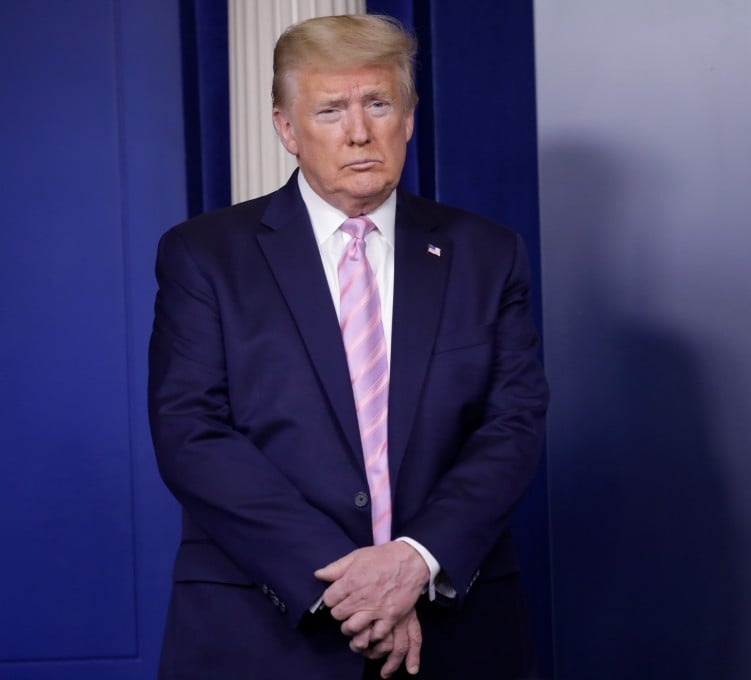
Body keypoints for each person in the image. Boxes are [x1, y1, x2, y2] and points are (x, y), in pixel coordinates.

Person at [147, 13, 548, 679]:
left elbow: (513, 424)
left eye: (378, 103)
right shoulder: (204, 256)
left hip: (457, 632)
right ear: (286, 129)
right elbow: (191, 433)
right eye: (330, 109)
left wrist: (414, 559)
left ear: (409, 116)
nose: (359, 132)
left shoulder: (488, 254)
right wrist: (355, 589)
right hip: (262, 632)